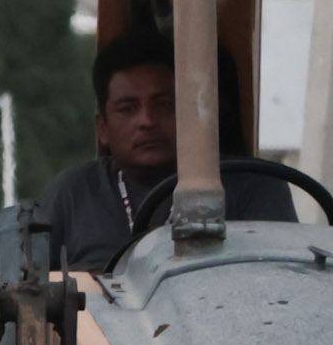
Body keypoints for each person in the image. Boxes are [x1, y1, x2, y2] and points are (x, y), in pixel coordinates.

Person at [31, 28, 297, 271]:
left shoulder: (256, 188)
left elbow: (284, 289)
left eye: (164, 104)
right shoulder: (70, 196)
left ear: (193, 112)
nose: (147, 120)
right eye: (128, 108)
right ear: (102, 128)